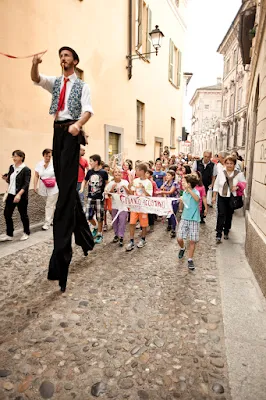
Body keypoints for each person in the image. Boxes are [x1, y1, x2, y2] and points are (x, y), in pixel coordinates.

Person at [31, 46, 94, 292]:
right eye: (61, 56)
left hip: (71, 132)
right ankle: (86, 240)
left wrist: (78, 125)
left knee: (66, 195)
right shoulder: (57, 82)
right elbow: (36, 78)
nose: (62, 59)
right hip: (57, 132)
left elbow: (88, 111)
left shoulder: (82, 86)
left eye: (66, 56)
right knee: (66, 188)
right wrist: (35, 63)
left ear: (74, 61)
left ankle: (61, 262)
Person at [212, 156, 246, 243]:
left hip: (232, 197)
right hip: (222, 196)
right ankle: (218, 234)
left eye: (231, 163)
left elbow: (244, 183)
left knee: (229, 215)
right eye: (227, 163)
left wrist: (237, 187)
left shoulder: (239, 174)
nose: (229, 165)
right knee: (221, 214)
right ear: (225, 164)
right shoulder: (221, 173)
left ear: (234, 164)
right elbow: (216, 185)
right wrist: (214, 196)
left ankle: (226, 230)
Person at [0, 150, 31, 242]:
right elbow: (11, 180)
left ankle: (26, 232)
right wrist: (6, 178)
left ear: (21, 157)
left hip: (20, 196)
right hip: (10, 194)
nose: (14, 158)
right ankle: (9, 234)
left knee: (23, 214)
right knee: (7, 214)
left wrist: (19, 195)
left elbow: (26, 184)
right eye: (13, 156)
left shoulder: (26, 169)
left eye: (16, 156)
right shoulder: (12, 167)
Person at [80, 154, 109, 244]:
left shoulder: (103, 172)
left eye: (91, 161)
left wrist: (106, 190)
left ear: (96, 162)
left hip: (99, 198)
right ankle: (95, 227)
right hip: (90, 197)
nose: (90, 163)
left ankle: (100, 234)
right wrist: (82, 188)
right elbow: (85, 181)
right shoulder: (89, 172)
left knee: (100, 217)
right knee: (88, 216)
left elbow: (107, 183)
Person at [126, 163, 153, 251]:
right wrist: (129, 188)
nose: (135, 172)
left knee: (143, 224)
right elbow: (131, 193)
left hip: (143, 207)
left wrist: (143, 189)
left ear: (141, 171)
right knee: (132, 223)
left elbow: (149, 195)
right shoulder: (135, 181)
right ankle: (131, 241)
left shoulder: (148, 182)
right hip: (135, 206)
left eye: (136, 170)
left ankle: (143, 239)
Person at [177, 174, 200, 271]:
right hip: (184, 218)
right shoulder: (184, 193)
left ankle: (190, 259)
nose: (182, 183)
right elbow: (182, 206)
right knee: (179, 238)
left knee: (192, 240)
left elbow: (197, 199)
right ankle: (182, 248)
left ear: (189, 184)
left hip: (194, 219)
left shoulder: (195, 192)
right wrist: (180, 204)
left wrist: (189, 190)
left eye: (184, 182)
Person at [34, 149, 59, 230]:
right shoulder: (39, 164)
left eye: (49, 156)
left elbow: (59, 174)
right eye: (46, 156)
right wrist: (35, 186)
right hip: (43, 186)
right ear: (43, 155)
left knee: (49, 205)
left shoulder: (55, 163)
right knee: (50, 205)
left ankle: (47, 223)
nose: (48, 158)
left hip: (53, 186)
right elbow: (36, 175)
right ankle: (53, 219)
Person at [105, 168, 129, 246]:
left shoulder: (125, 182)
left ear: (121, 174)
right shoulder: (111, 183)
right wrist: (112, 188)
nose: (117, 173)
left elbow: (130, 193)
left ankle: (121, 236)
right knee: (115, 221)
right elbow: (108, 195)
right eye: (116, 172)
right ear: (113, 174)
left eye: (119, 172)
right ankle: (116, 235)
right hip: (115, 205)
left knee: (122, 221)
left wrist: (125, 188)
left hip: (123, 206)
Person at [192, 150, 217, 223]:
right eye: (205, 156)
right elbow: (193, 172)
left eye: (208, 157)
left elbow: (213, 176)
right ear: (203, 155)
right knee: (195, 199)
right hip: (197, 185)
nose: (206, 158)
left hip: (206, 185)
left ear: (210, 157)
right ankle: (194, 214)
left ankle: (202, 215)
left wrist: (212, 184)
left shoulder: (213, 165)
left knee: (203, 200)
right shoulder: (197, 162)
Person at [158, 170, 179, 238]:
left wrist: (162, 192)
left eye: (169, 175)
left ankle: (173, 229)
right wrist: (162, 190)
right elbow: (161, 187)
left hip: (174, 201)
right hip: (168, 201)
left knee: (172, 214)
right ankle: (169, 225)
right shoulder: (166, 182)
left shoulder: (175, 183)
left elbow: (171, 191)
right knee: (168, 214)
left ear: (173, 176)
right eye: (167, 175)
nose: (167, 176)